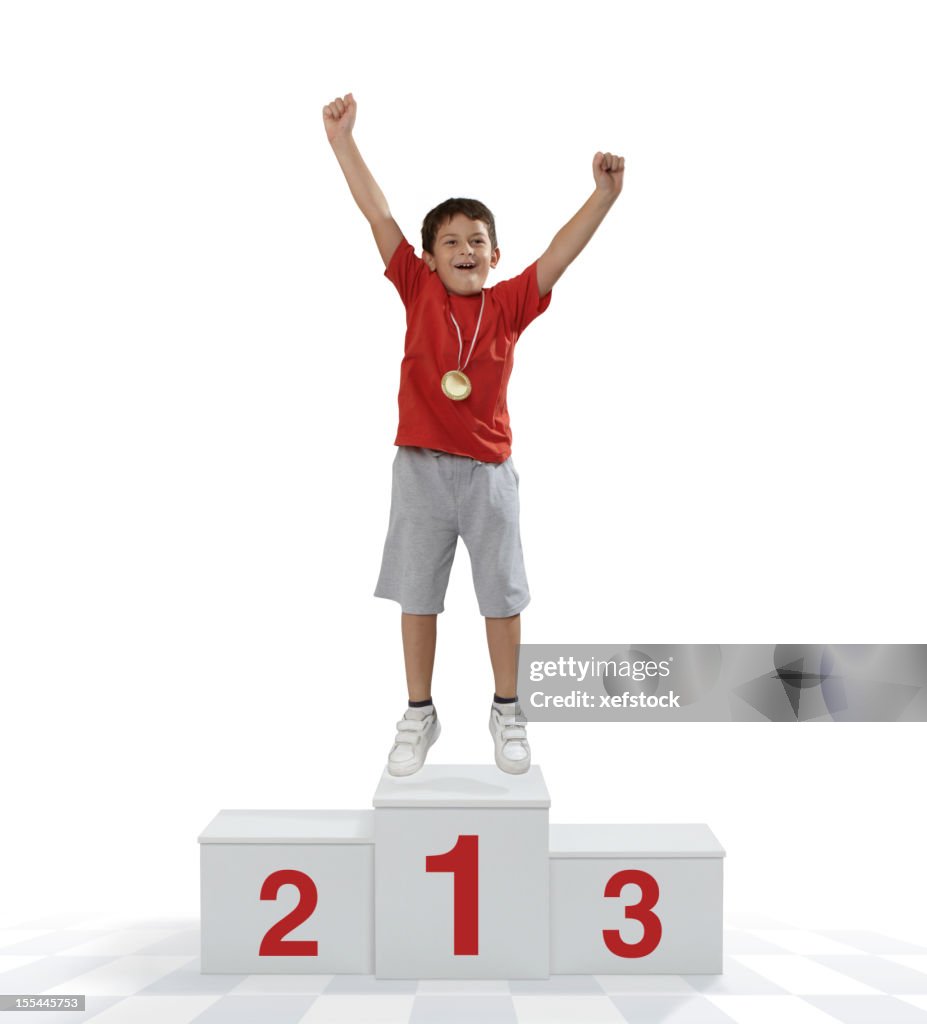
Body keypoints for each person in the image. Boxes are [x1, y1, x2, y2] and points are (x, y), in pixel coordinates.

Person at [322, 92, 624, 776]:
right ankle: (419, 713)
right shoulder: (416, 287)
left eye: (477, 240)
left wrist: (601, 197)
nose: (465, 249)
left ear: (494, 254)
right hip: (421, 471)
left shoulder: (510, 303)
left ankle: (507, 710)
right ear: (427, 258)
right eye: (450, 241)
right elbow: (377, 212)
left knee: (501, 595)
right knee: (417, 594)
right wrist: (343, 141)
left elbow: (558, 254)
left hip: (488, 476)